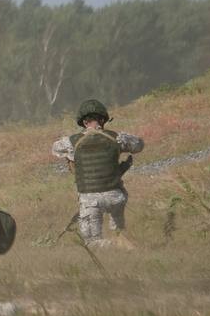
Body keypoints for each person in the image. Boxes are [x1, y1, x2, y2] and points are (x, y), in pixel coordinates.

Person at [51, 98, 144, 248]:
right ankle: (121, 242)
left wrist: (71, 156)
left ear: (84, 122)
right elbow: (139, 145)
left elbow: (55, 148)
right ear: (103, 120)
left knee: (93, 242)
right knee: (118, 233)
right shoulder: (117, 138)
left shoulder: (72, 142)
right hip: (116, 197)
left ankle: (117, 247)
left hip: (90, 199)